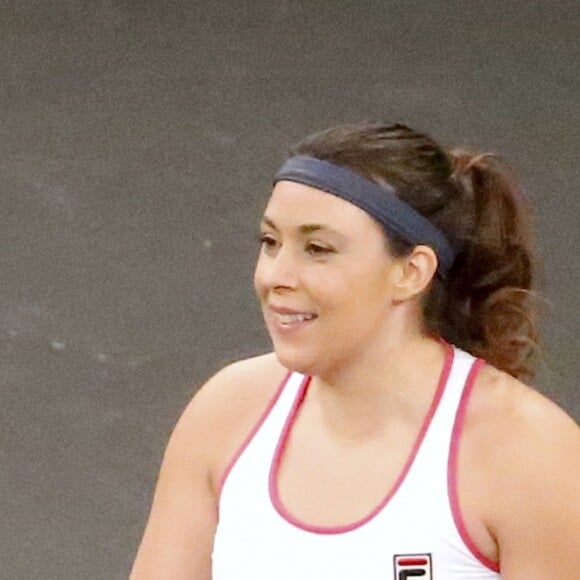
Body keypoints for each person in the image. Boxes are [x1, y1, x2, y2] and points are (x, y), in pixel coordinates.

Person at [129, 122, 580, 579]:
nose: (275, 276)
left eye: (318, 248)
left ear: (410, 272)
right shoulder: (225, 413)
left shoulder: (531, 455)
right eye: (270, 242)